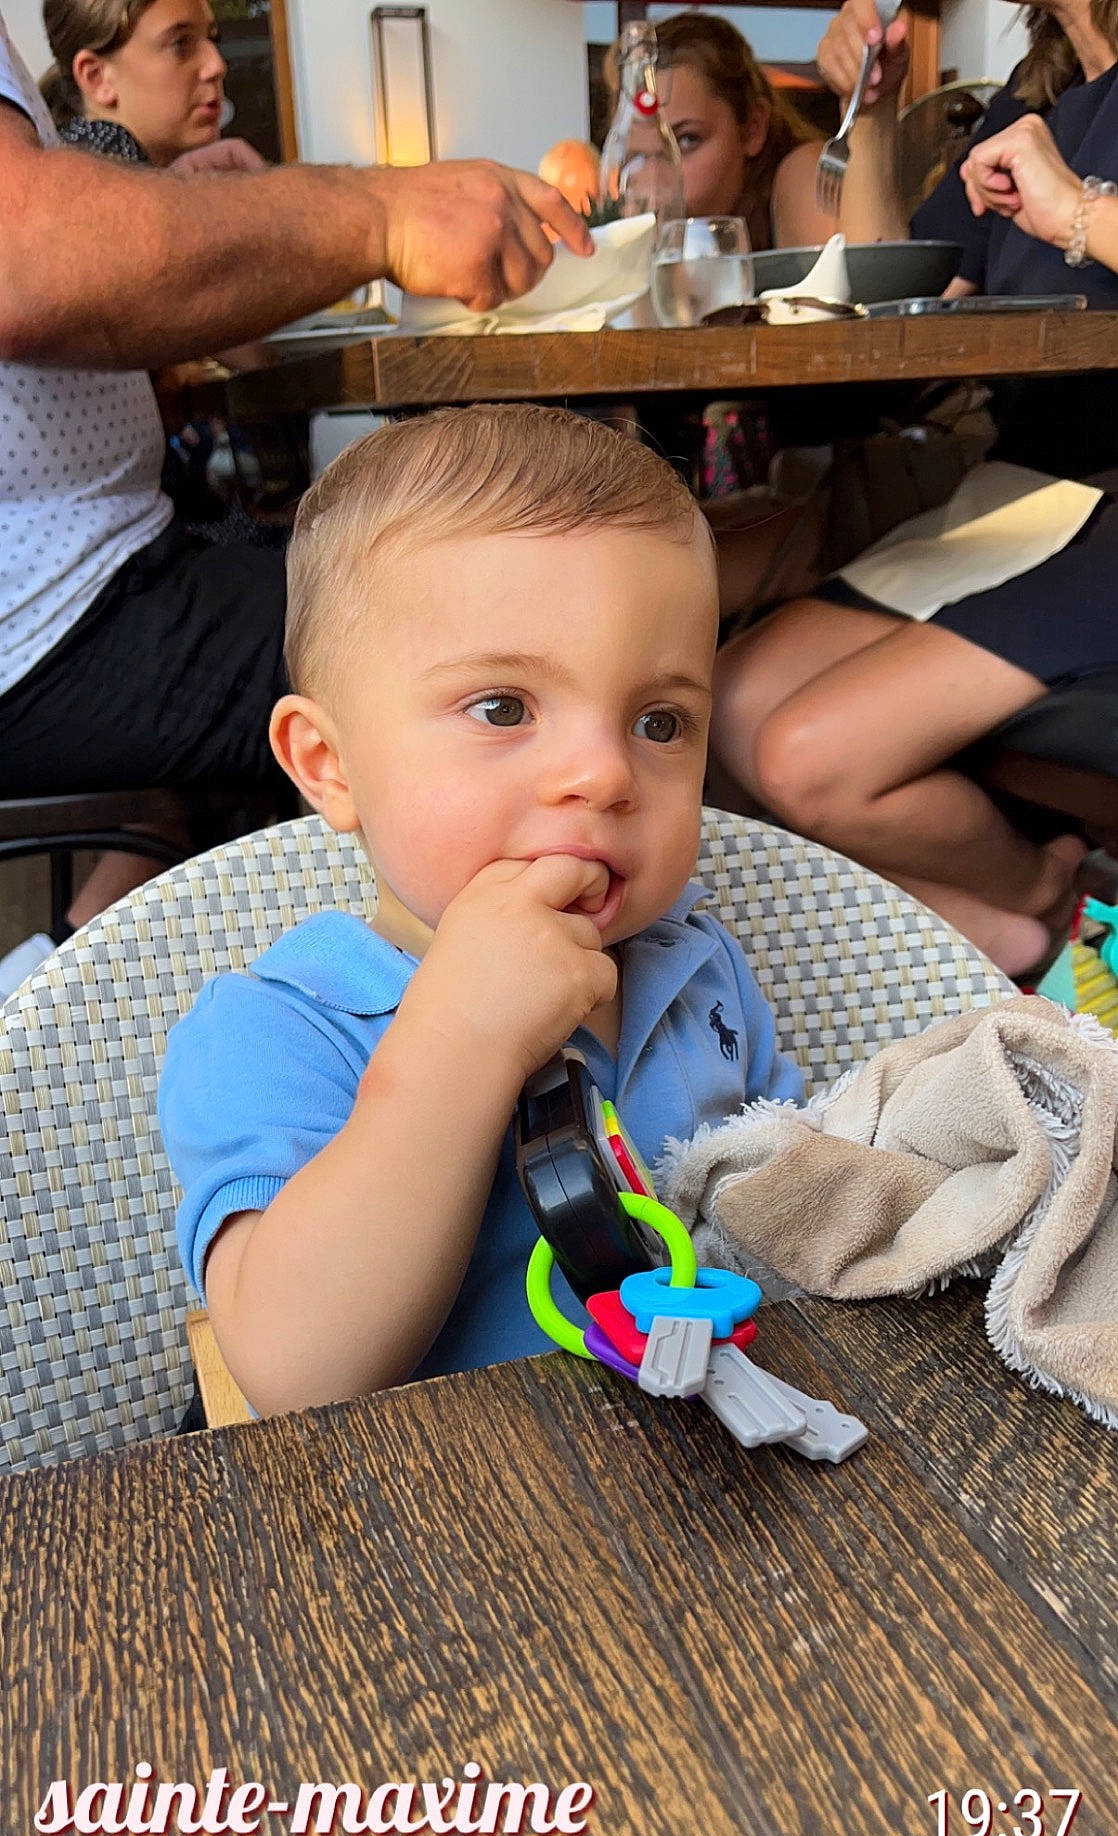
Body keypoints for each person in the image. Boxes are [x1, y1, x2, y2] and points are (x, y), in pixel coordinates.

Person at [157, 405, 803, 1416]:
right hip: (433, 1535)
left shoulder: (695, 963)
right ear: (329, 766)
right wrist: (459, 1037)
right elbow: (295, 1371)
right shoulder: (272, 1031)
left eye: (657, 720)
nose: (602, 772)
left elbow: (791, 1199)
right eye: (502, 707)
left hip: (706, 1479)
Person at [0, 7, 590, 995]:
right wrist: (384, 214)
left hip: (105, 567)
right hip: (53, 611)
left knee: (381, 578)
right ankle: (463, 1013)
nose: (206, 69)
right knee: (462, 640)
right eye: (175, 41)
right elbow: (25, 255)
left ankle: (77, 980)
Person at [708, 0, 1118, 978]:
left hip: (1104, 514)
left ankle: (1040, 892)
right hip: (1020, 500)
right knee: (720, 708)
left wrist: (1072, 211)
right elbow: (895, 300)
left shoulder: (1049, 147)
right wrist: (879, 113)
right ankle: (1005, 938)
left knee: (806, 757)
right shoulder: (1039, 98)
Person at [649, 10, 834, 252]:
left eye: (687, 140)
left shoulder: (803, 173)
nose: (656, 181)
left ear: (752, 128)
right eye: (639, 154)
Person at [40, 0, 244, 166]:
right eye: (180, 43)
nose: (217, 65)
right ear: (97, 77)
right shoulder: (96, 190)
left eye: (213, 38)